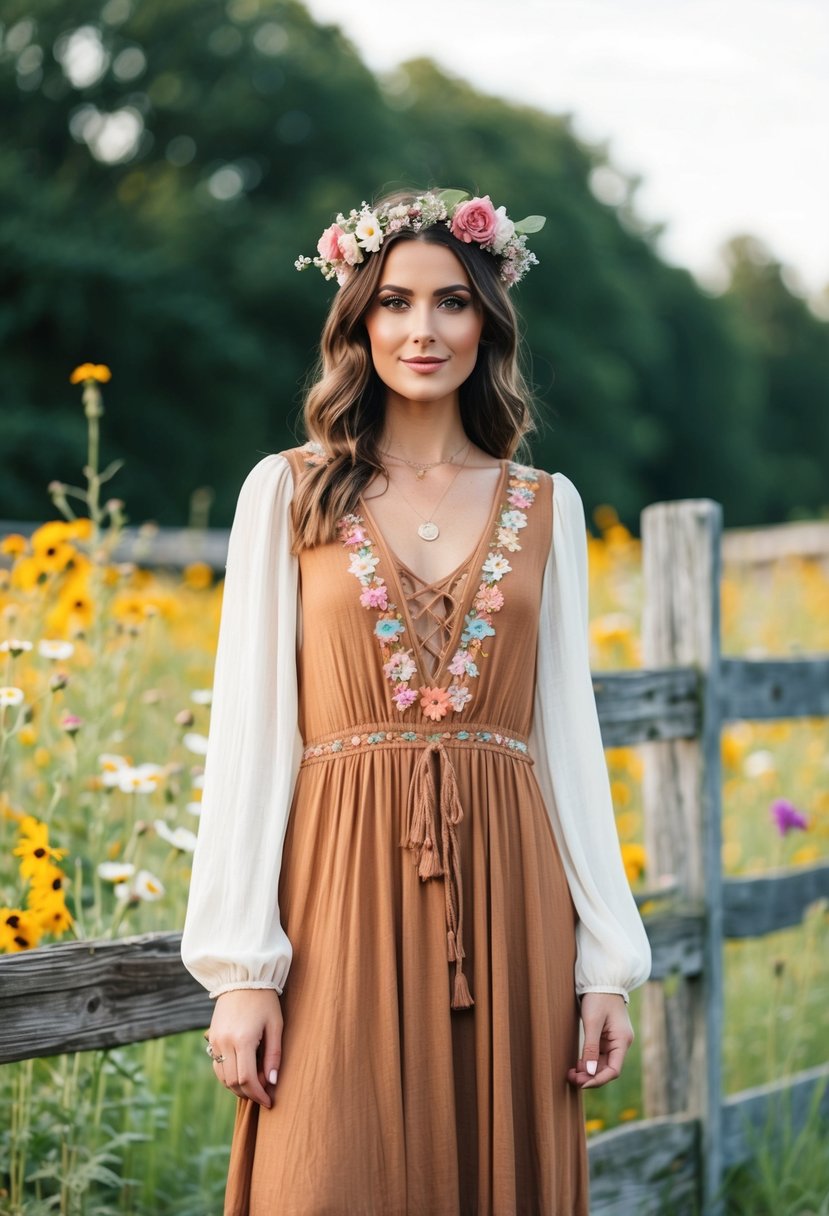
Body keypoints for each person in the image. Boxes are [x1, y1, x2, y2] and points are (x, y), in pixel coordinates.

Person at [181, 186, 652, 1216]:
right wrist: (240, 968)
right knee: (327, 1175)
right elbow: (251, 742)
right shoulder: (289, 492)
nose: (422, 329)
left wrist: (606, 962)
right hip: (335, 895)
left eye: (450, 302)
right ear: (357, 320)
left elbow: (565, 743)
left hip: (513, 899)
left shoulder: (548, 506)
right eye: (393, 302)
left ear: (487, 319)